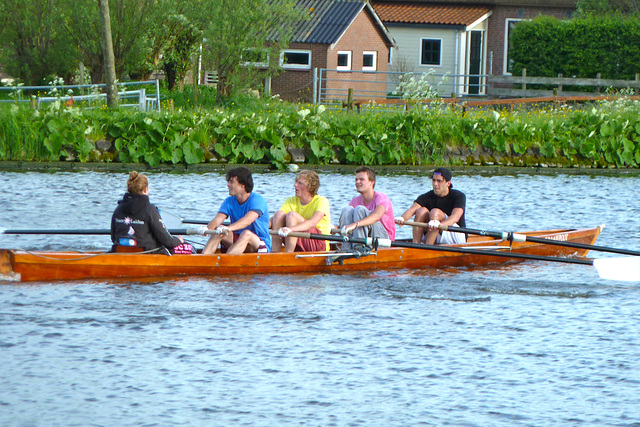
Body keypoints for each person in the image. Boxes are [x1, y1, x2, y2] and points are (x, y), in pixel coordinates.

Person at [111, 171, 184, 254]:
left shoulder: (118, 209)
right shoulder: (150, 210)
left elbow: (114, 238)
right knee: (188, 247)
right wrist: (178, 240)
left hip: (120, 254)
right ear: (146, 189)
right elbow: (167, 241)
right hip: (148, 255)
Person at [202, 167, 271, 255]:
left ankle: (226, 263)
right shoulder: (229, 201)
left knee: (246, 234)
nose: (228, 185)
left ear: (243, 185)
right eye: (228, 182)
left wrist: (228, 228)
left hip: (258, 243)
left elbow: (247, 221)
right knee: (219, 231)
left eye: (231, 182)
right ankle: (201, 260)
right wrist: (208, 228)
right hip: (238, 240)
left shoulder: (258, 200)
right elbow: (217, 220)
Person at [395, 167, 466, 245]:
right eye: (433, 180)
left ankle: (428, 247)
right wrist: (402, 218)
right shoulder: (427, 196)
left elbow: (455, 217)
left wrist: (440, 225)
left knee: (435, 212)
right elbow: (412, 210)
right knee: (421, 211)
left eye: (439, 181)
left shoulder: (458, 196)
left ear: (448, 183)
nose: (435, 184)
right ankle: (416, 245)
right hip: (435, 231)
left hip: (455, 234)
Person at [271, 170, 331, 252]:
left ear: (310, 187)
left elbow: (312, 223)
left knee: (292, 216)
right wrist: (259, 225)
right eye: (296, 182)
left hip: (318, 242)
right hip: (300, 237)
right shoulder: (291, 200)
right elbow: (274, 219)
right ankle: (274, 253)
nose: (295, 185)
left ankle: (288, 255)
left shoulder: (322, 201)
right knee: (278, 215)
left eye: (300, 183)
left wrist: (291, 229)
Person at [338, 166, 395, 249]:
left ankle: (359, 247)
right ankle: (346, 248)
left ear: (371, 182)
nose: (357, 182)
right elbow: (348, 221)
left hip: (384, 241)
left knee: (359, 209)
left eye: (361, 179)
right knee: (347, 210)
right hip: (368, 238)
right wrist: (336, 227)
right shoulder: (355, 200)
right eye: (356, 179)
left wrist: (355, 224)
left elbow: (377, 216)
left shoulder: (382, 198)